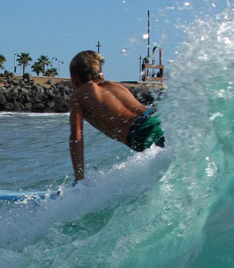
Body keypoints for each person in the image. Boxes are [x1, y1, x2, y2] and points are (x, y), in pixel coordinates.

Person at [67, 50, 165, 182]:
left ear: (75, 77)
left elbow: (76, 136)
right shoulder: (116, 86)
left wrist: (79, 178)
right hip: (157, 117)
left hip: (141, 132)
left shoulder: (78, 96)